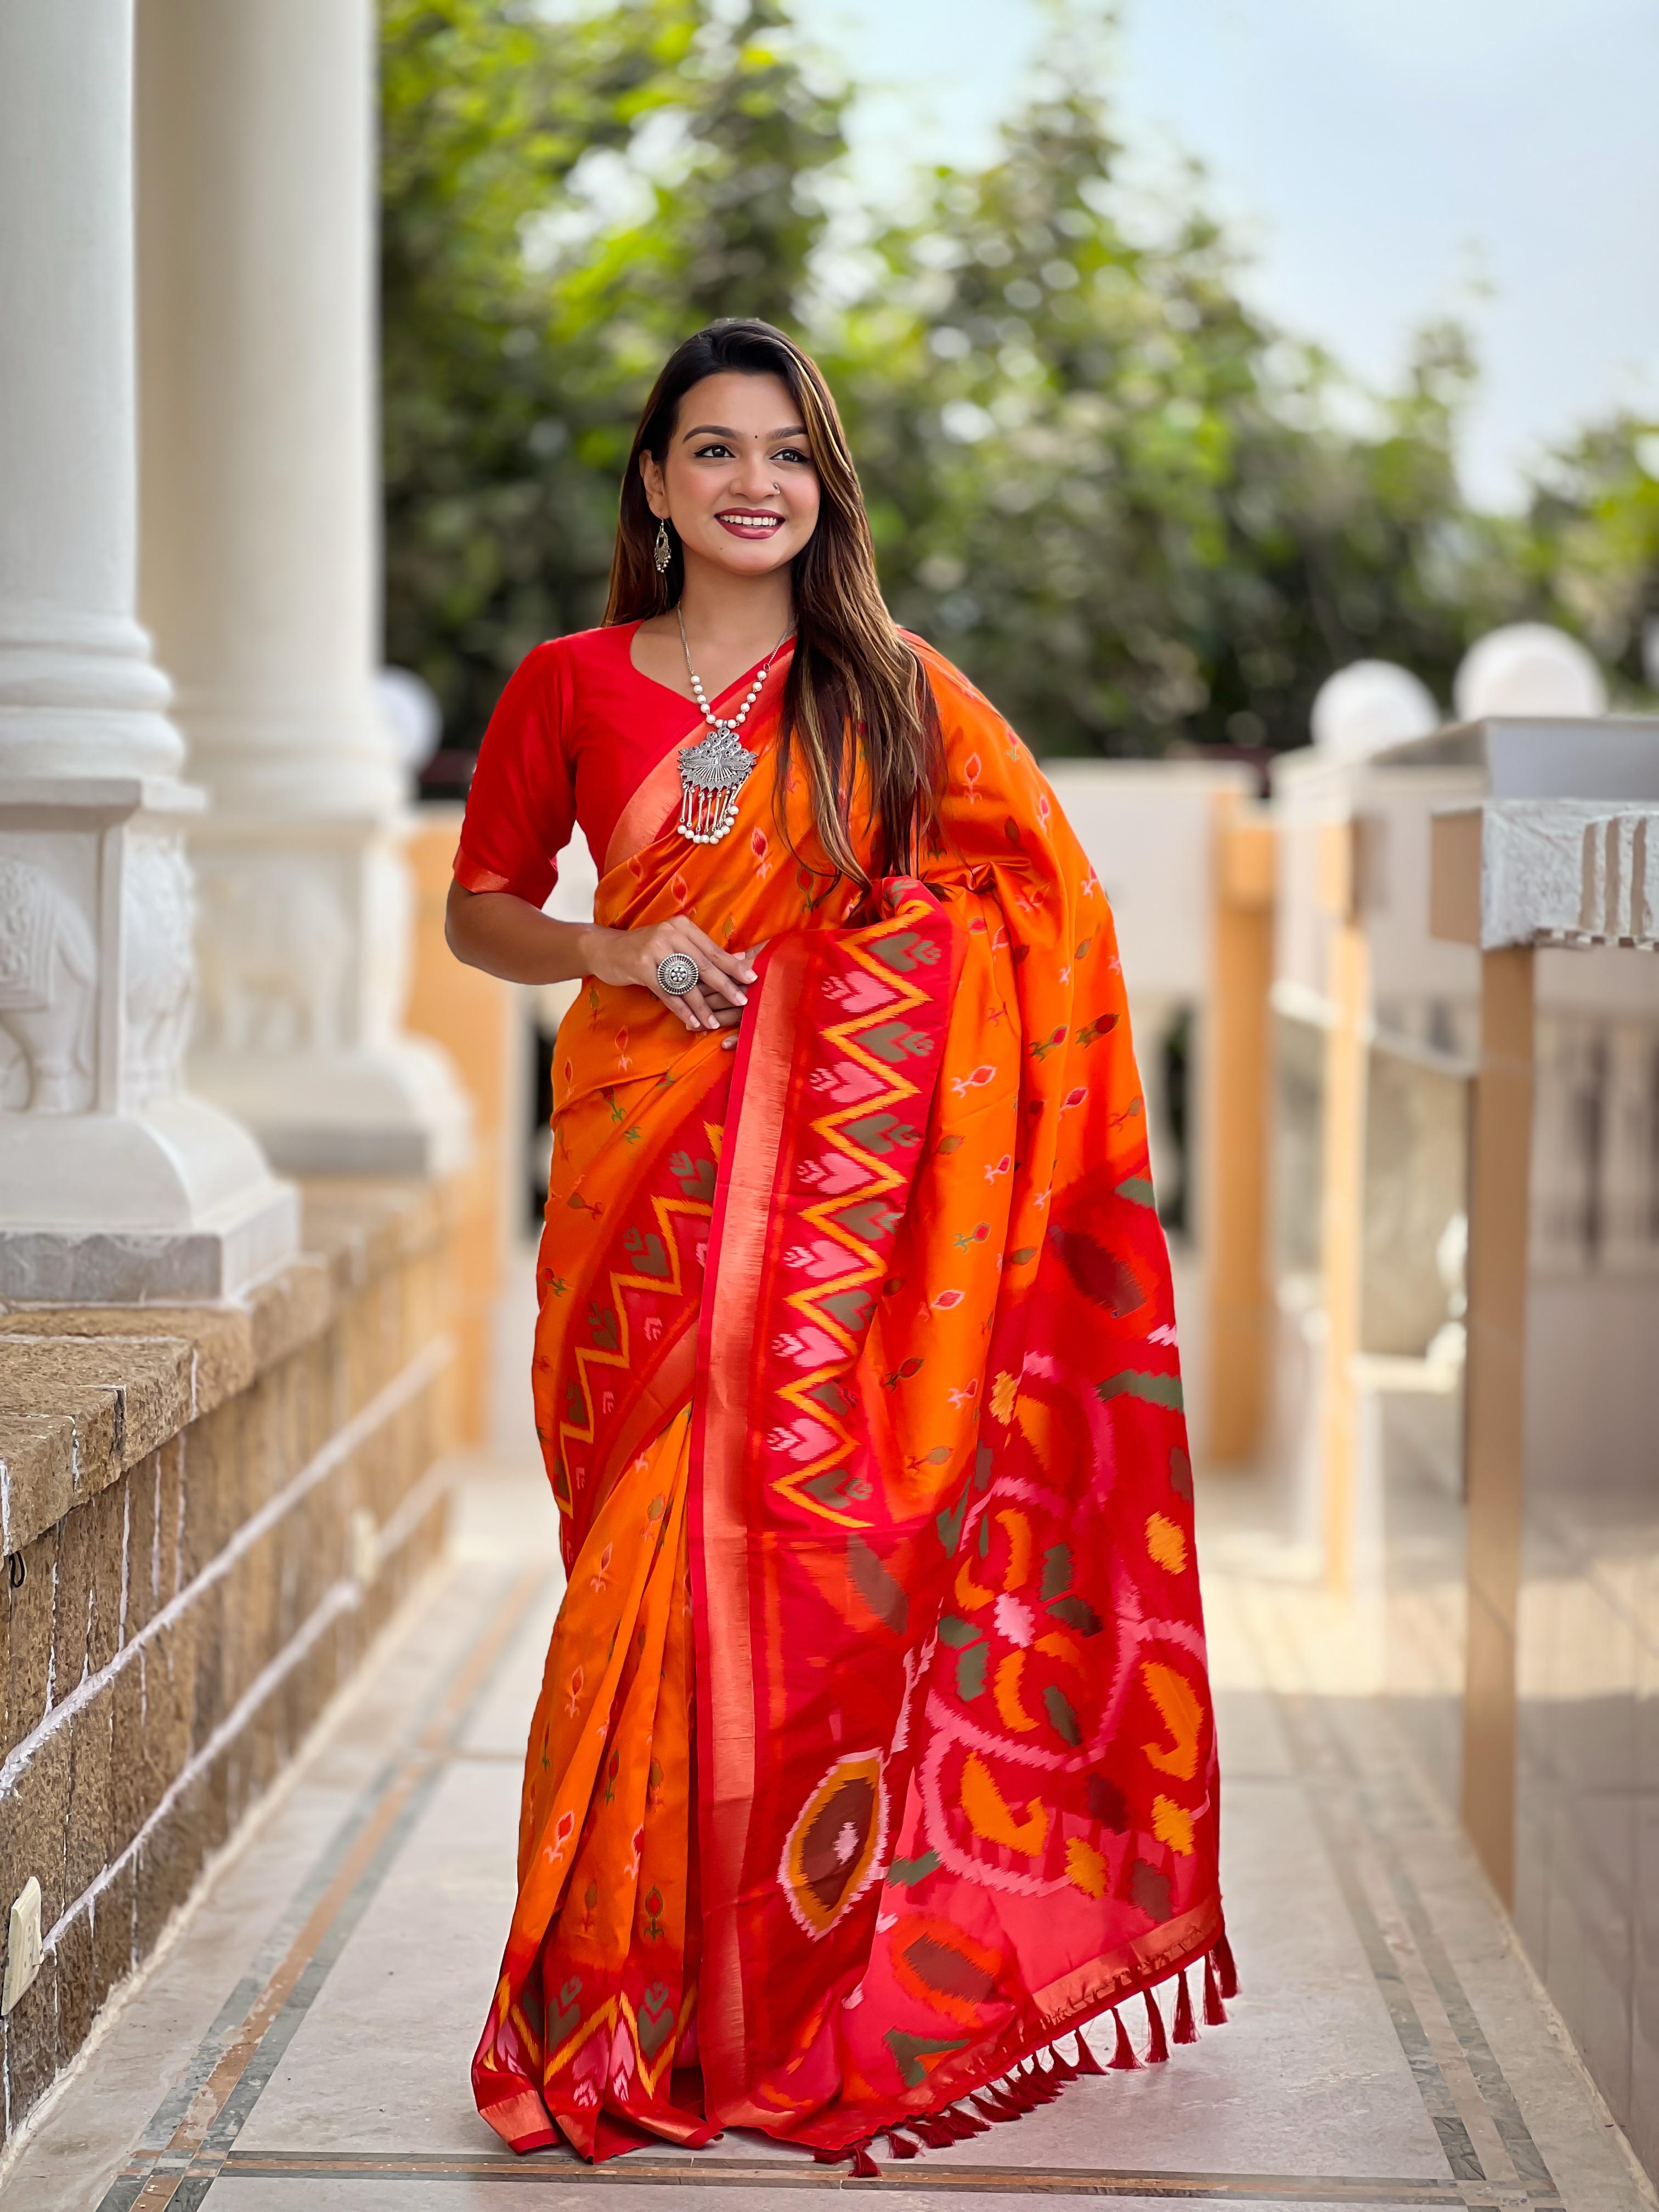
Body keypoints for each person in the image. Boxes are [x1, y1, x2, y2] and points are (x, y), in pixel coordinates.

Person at [447, 318, 1231, 2172]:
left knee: (807, 1583)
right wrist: (620, 953)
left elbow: (1038, 903)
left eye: (785, 453)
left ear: (826, 486)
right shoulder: (570, 685)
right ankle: (602, 2005)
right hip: (637, 1194)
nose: (750, 484)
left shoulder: (889, 690)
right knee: (628, 1589)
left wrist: (842, 1004)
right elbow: (486, 916)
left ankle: (779, 2004)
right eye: (711, 451)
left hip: (835, 1238)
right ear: (654, 483)